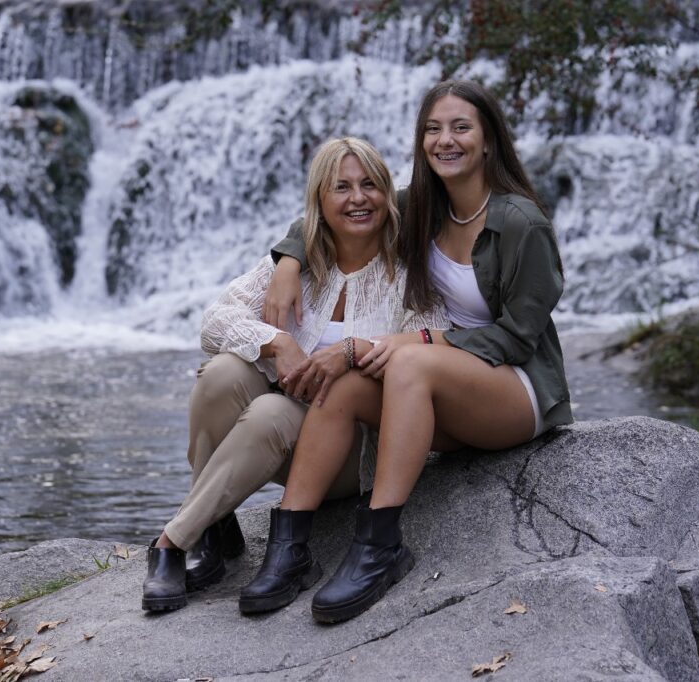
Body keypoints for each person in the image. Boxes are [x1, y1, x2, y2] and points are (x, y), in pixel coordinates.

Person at [248, 79, 572, 623]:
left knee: (400, 361)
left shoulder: (522, 224)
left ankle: (379, 545)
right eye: (433, 129)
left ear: (488, 140)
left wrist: (420, 339)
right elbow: (336, 213)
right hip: (440, 386)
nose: (446, 140)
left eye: (461, 127)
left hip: (514, 389)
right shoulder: (421, 207)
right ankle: (290, 546)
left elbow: (519, 337)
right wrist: (288, 261)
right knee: (344, 383)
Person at [142, 136, 449, 612]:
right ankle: (214, 530)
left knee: (270, 410)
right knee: (221, 373)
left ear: (388, 193)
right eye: (341, 187)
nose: (358, 198)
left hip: (352, 452)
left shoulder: (410, 271)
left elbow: (431, 344)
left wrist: (354, 353)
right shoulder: (296, 263)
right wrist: (278, 343)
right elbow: (214, 322)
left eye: (370, 185)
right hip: (279, 439)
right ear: (319, 201)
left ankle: (173, 541)